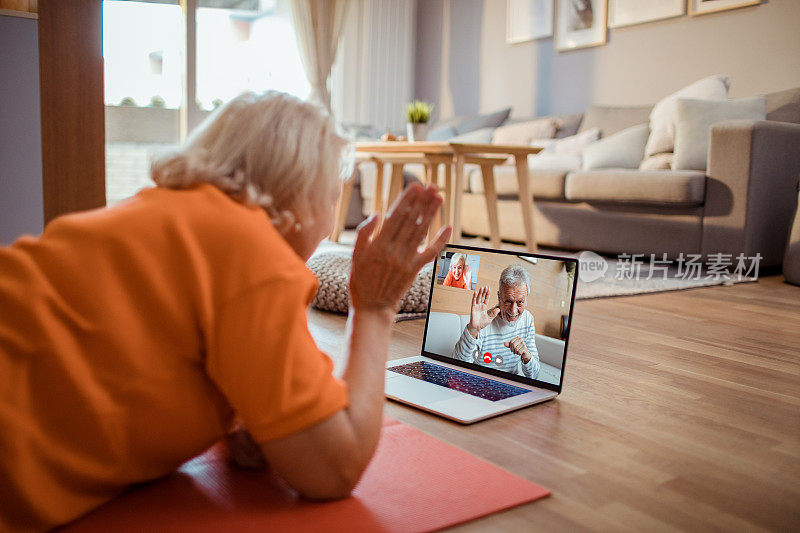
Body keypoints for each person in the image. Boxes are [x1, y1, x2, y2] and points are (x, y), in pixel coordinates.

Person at [0, 91, 451, 531]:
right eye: (331, 197)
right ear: (298, 198)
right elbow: (334, 468)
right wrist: (375, 307)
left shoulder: (161, 212)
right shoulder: (253, 252)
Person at [452, 265, 539, 378]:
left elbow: (534, 375)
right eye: (508, 301)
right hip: (481, 382)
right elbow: (457, 366)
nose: (513, 311)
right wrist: (473, 330)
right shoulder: (484, 321)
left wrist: (527, 356)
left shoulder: (528, 319)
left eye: (520, 302)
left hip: (510, 384)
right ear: (499, 297)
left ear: (526, 299)